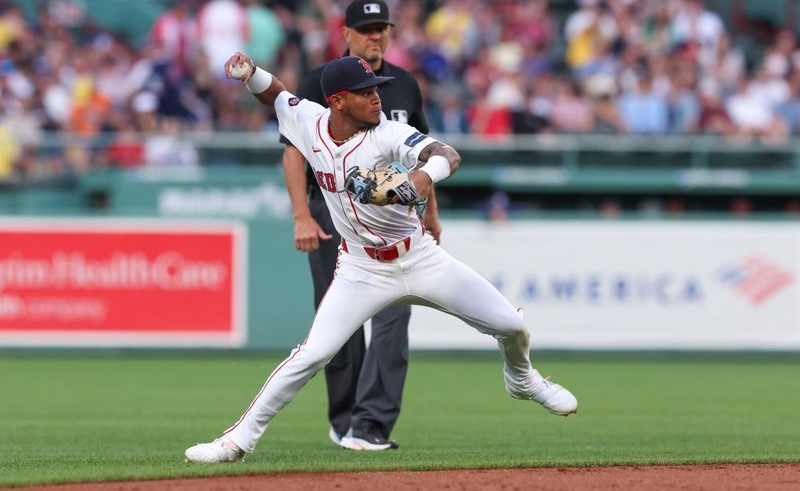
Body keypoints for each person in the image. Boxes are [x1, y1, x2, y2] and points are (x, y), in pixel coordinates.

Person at [183, 54, 578, 464]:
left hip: (420, 257)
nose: (376, 98)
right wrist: (249, 75)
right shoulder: (310, 122)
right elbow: (278, 96)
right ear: (337, 101)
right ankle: (236, 441)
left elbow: (447, 154)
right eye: (366, 92)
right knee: (314, 353)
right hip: (361, 268)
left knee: (511, 326)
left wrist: (420, 178)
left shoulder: (388, 133)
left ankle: (523, 380)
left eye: (376, 89)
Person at [280, 0, 438, 451]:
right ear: (345, 33)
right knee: (340, 321)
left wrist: (431, 214)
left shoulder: (404, 84)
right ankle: (344, 416)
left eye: (382, 27)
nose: (376, 35)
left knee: (395, 315)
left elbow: (422, 153)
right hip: (332, 213)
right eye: (366, 28)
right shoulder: (319, 81)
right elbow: (293, 152)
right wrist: (301, 214)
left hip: (395, 220)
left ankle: (371, 425)